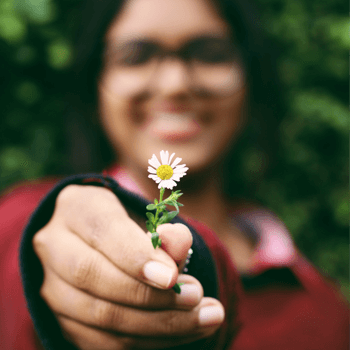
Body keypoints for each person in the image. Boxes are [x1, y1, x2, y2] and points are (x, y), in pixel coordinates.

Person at [0, 0, 348, 349]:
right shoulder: (22, 222)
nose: (175, 84)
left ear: (251, 80)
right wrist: (52, 267)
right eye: (136, 56)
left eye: (210, 54)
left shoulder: (327, 313)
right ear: (95, 86)